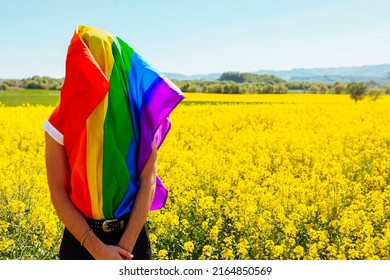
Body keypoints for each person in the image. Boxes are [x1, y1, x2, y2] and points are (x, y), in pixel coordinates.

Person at [44, 25, 184, 260]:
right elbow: (58, 191)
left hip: (131, 237)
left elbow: (147, 182)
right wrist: (98, 250)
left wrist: (126, 246)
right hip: (81, 240)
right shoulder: (59, 122)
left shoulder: (140, 116)